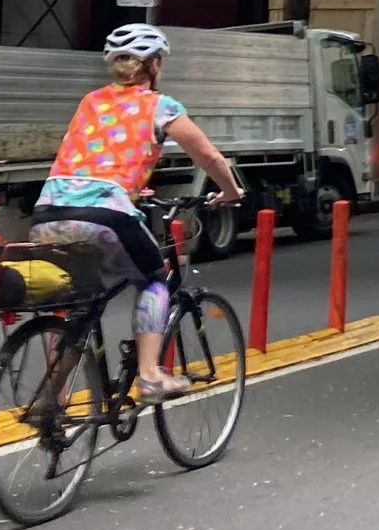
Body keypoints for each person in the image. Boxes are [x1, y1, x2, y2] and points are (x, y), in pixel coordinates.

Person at [27, 25, 243, 401]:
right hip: (104, 215)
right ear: (154, 65)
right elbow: (207, 156)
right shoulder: (160, 106)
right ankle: (149, 374)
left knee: (78, 303)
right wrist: (230, 190)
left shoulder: (90, 101)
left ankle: (52, 399)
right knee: (154, 282)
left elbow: (96, 156)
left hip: (48, 211)